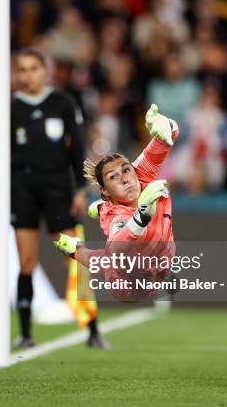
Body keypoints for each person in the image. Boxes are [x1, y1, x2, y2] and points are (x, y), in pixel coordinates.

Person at [11, 48, 107, 348]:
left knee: (74, 259)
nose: (28, 75)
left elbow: (76, 148)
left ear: (45, 70)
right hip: (22, 189)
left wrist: (80, 188)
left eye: (33, 68)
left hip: (57, 189)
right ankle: (25, 334)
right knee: (26, 261)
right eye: (22, 69)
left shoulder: (62, 103)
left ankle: (93, 330)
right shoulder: (11, 107)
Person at [54, 104, 178, 302]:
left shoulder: (140, 173)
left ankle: (98, 208)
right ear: (104, 189)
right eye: (113, 177)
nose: (125, 179)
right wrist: (141, 216)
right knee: (106, 262)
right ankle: (76, 250)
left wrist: (167, 126)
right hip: (131, 284)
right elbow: (117, 248)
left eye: (126, 170)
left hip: (162, 261)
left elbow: (167, 137)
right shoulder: (117, 217)